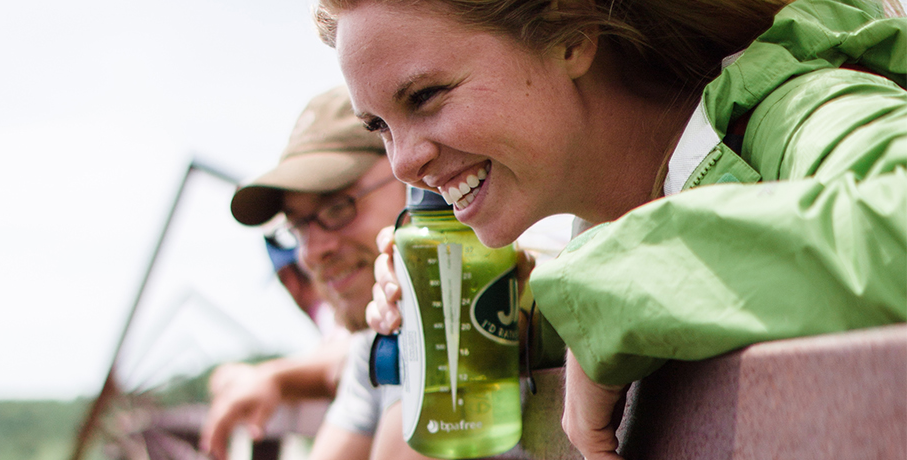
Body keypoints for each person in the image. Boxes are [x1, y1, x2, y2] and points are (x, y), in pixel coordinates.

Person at [314, 0, 907, 459]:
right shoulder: (603, 220)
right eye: (380, 127)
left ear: (571, 35)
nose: (402, 164)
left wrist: (599, 295)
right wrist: (512, 319)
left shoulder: (804, 107)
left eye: (425, 95)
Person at [200, 86, 430, 460]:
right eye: (299, 226)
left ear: (417, 178)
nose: (312, 251)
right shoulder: (375, 350)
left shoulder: (507, 292)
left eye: (339, 206)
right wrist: (276, 376)